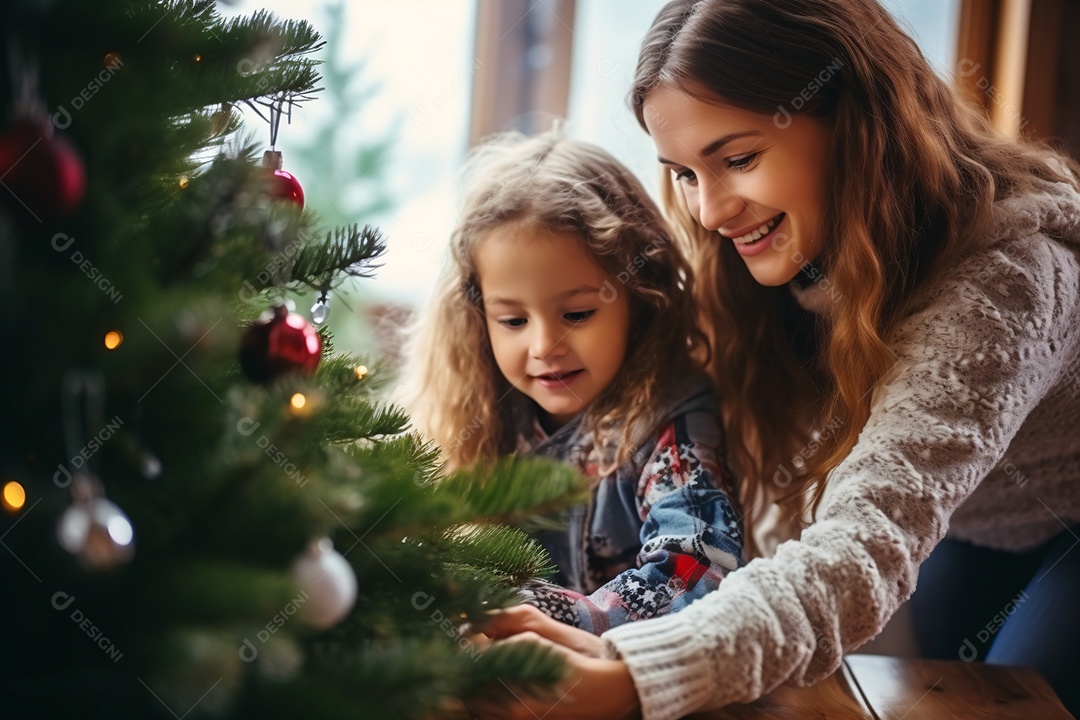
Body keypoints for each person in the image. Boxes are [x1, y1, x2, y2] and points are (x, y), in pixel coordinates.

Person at [474, 0, 1080, 718]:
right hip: (977, 522)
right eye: (687, 174)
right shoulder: (758, 265)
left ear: (858, 125)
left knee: (1007, 703)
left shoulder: (1008, 279)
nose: (708, 211)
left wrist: (636, 674)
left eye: (738, 159)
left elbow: (860, 548)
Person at [397, 130, 744, 635]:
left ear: (640, 296)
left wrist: (536, 612)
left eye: (577, 313)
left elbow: (698, 567)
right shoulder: (479, 413)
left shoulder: (669, 422)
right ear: (478, 318)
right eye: (513, 321)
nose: (543, 346)